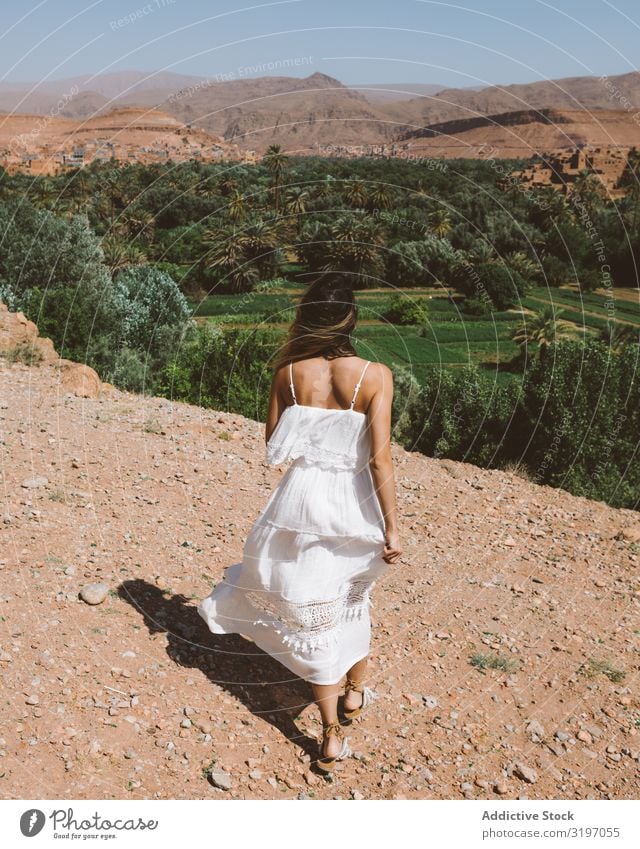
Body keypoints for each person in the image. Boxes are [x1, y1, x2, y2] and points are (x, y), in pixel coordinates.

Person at [198, 273, 402, 773]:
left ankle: (348, 700)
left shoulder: (287, 372)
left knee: (318, 605)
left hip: (297, 502)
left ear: (306, 317)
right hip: (352, 505)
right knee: (350, 597)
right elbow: (379, 461)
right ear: (352, 317)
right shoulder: (375, 375)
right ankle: (336, 723)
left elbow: (274, 447)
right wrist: (393, 526)